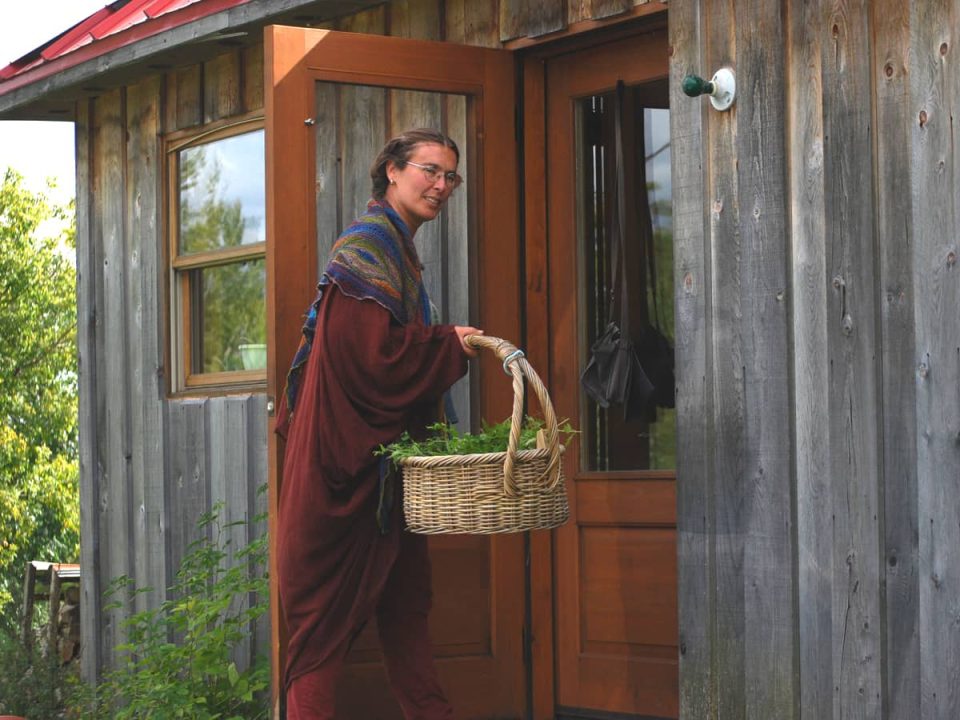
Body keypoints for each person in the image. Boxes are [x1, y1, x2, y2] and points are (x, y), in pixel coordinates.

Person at [275, 129, 481, 719]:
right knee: (318, 637)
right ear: (391, 170)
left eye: (450, 177)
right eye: (429, 170)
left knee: (406, 607)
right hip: (342, 475)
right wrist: (447, 345)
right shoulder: (366, 247)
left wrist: (441, 345)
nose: (441, 186)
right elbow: (369, 361)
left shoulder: (397, 250)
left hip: (386, 477)